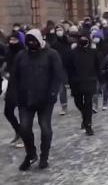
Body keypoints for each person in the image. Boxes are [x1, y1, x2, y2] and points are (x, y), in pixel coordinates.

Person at [11, 29, 64, 171]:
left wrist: (53, 93)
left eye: (34, 40)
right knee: (24, 128)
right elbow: (14, 77)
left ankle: (44, 156)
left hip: (45, 99)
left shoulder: (51, 54)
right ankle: (31, 154)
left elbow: (58, 75)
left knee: (45, 128)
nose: (31, 43)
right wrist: (12, 95)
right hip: (25, 99)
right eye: (29, 41)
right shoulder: (21, 56)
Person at [66, 30, 102, 136]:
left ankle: (88, 125)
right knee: (78, 102)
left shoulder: (93, 52)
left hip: (89, 81)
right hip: (76, 82)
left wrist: (98, 77)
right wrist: (70, 79)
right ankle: (84, 115)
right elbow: (68, 67)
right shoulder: (72, 52)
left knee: (88, 102)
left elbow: (97, 66)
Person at [3, 31, 25, 148]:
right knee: (7, 111)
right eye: (11, 40)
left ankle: (23, 137)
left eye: (15, 40)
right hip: (11, 85)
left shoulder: (23, 53)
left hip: (22, 86)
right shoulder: (8, 52)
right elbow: (7, 64)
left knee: (23, 113)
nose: (12, 42)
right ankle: (18, 131)